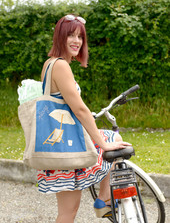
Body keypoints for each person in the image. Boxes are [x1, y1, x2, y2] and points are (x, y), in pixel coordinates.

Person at [38, 14, 131, 223]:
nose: (76, 41)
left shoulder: (50, 64)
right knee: (68, 212)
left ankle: (104, 200)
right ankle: (104, 200)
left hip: (62, 143)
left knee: (68, 211)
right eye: (71, 35)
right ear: (60, 37)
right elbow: (79, 109)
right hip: (66, 149)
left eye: (80, 37)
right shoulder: (60, 65)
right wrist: (102, 144)